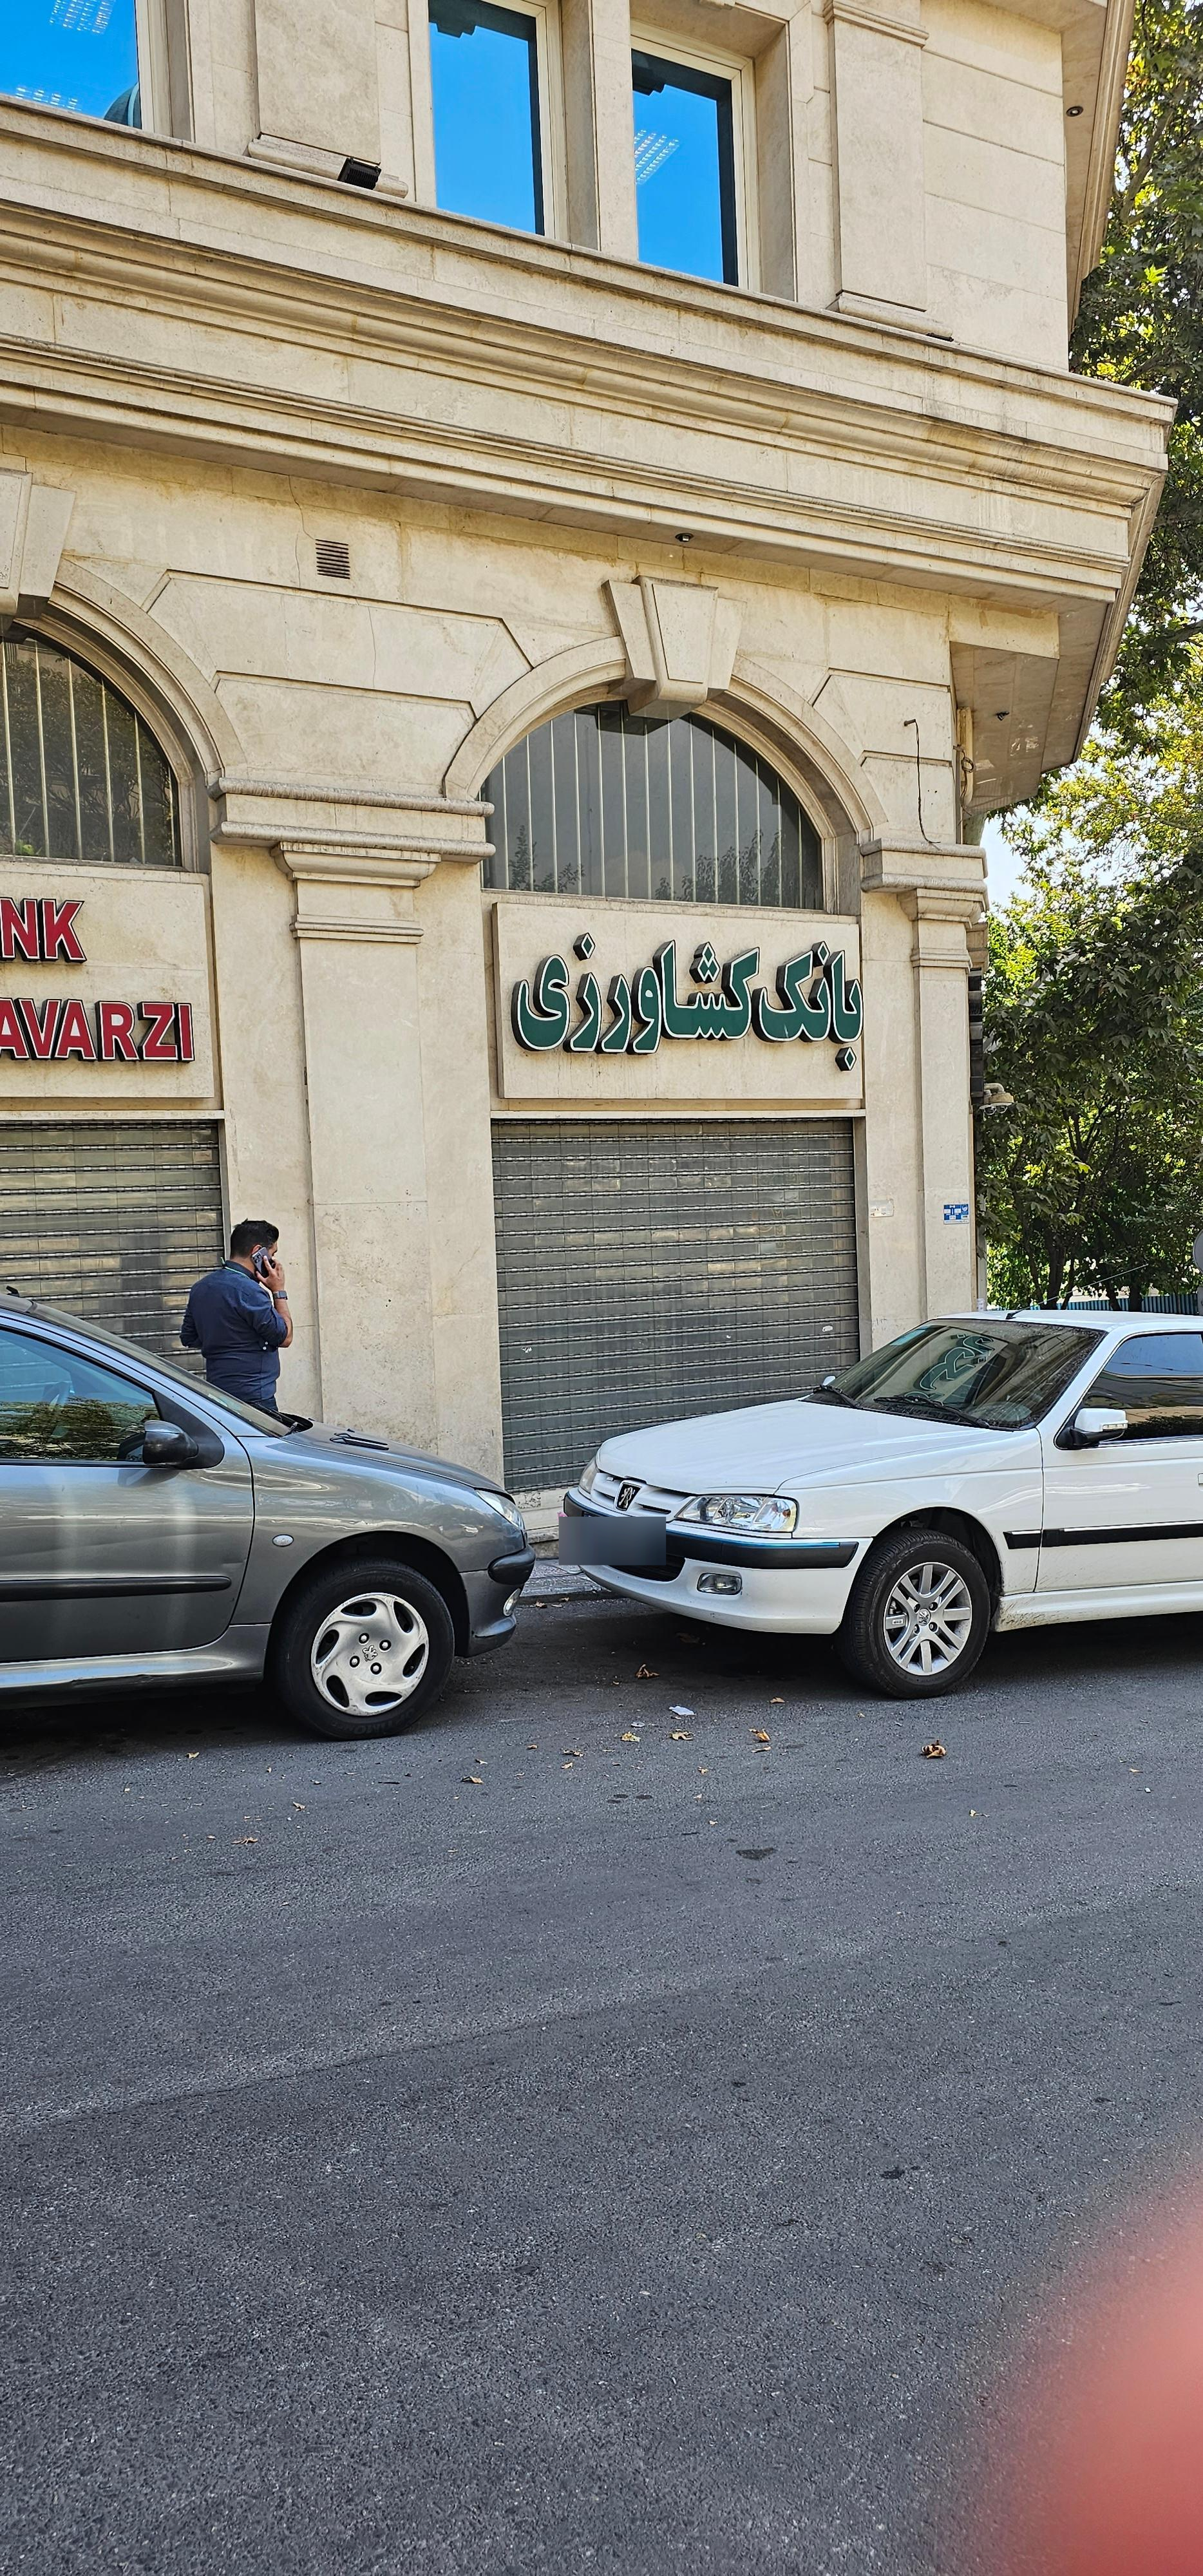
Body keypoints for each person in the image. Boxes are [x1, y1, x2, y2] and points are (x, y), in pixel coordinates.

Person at [180, 1219, 292, 1415]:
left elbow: (189, 1338)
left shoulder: (201, 1288)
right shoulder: (251, 1293)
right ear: (258, 1252)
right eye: (272, 1254)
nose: (274, 1261)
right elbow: (285, 1337)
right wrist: (279, 1291)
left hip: (218, 1393)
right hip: (255, 1401)